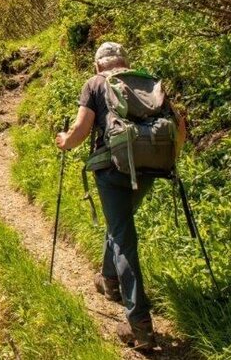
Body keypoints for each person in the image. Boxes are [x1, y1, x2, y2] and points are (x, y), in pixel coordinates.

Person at [54, 42, 186, 351]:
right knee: (120, 225)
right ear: (124, 61)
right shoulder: (148, 81)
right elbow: (180, 128)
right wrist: (169, 159)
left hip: (114, 171)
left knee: (123, 237)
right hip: (152, 168)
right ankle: (109, 281)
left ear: (98, 65)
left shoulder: (95, 83)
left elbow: (81, 130)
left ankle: (140, 326)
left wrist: (64, 141)